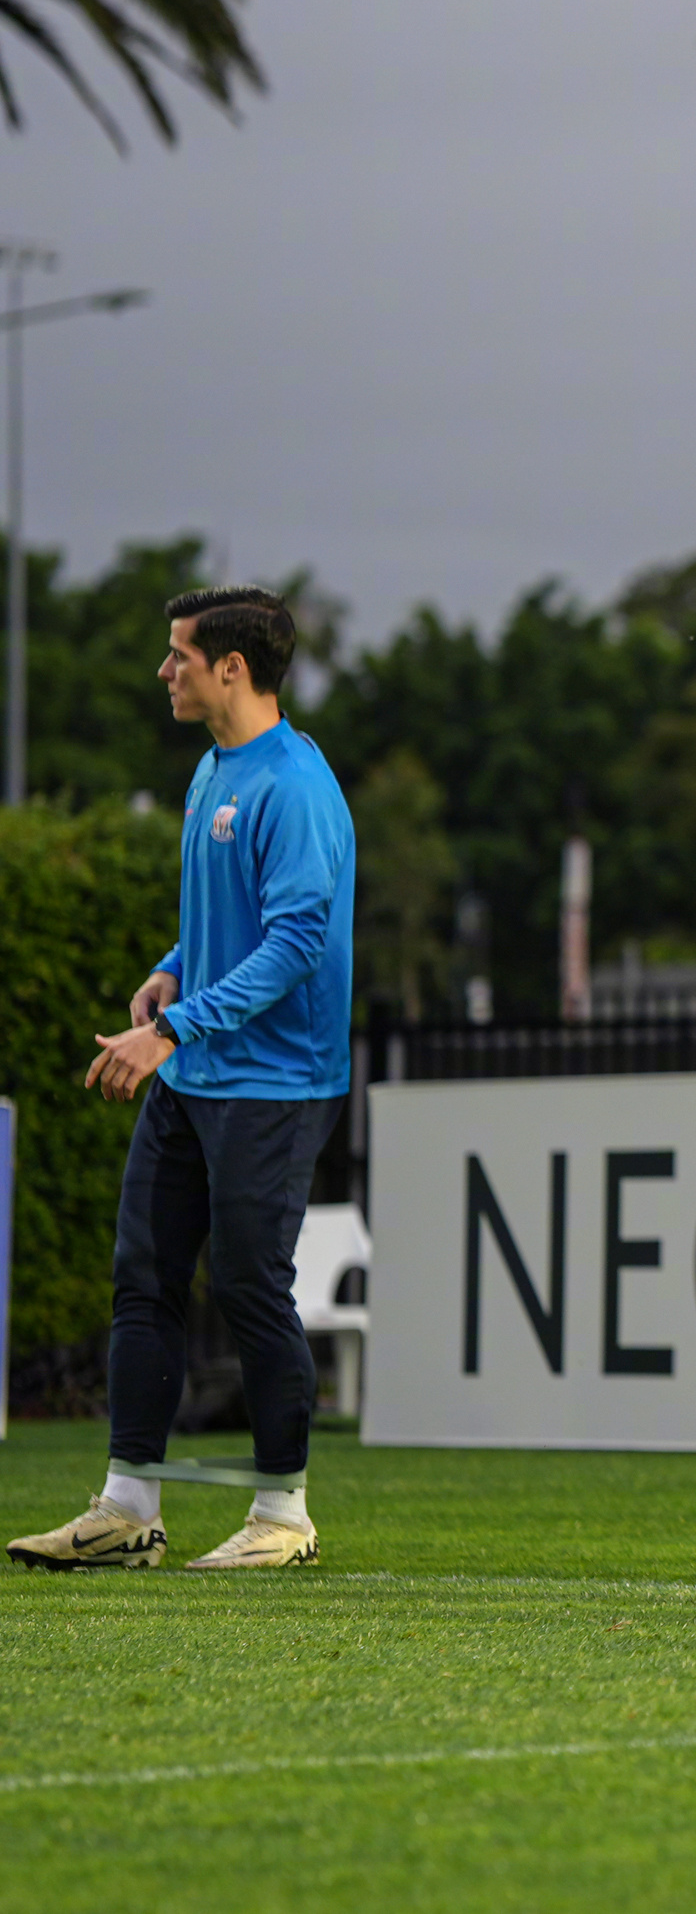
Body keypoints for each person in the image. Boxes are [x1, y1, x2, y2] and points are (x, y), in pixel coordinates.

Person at [11, 588, 355, 1573]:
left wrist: (172, 1029)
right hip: (200, 1065)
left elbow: (297, 940)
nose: (167, 672)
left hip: (275, 1081)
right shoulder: (216, 766)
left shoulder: (292, 784)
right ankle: (129, 1507)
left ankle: (283, 1514)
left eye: (179, 657)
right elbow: (236, 915)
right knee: (144, 1278)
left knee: (251, 1283)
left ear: (231, 669)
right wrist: (175, 961)